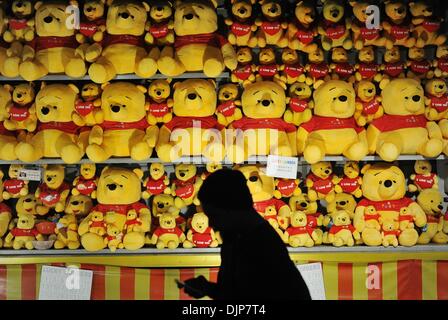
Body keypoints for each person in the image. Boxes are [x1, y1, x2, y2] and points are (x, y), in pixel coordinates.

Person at [180, 169, 311, 300]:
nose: (212, 223)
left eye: (214, 215)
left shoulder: (256, 242)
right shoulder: (238, 235)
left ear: (230, 209)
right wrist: (207, 288)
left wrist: (209, 289)